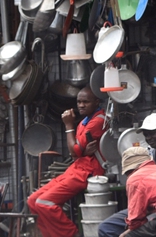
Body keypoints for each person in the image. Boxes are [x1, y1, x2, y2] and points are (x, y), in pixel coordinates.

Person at [28, 87, 106, 237]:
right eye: (79, 102)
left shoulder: (97, 121)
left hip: (87, 172)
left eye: (86, 102)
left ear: (97, 102)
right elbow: (77, 153)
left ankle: (71, 234)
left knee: (44, 203)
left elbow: (74, 151)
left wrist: (69, 126)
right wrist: (79, 151)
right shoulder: (85, 121)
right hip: (76, 168)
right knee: (33, 201)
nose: (81, 105)